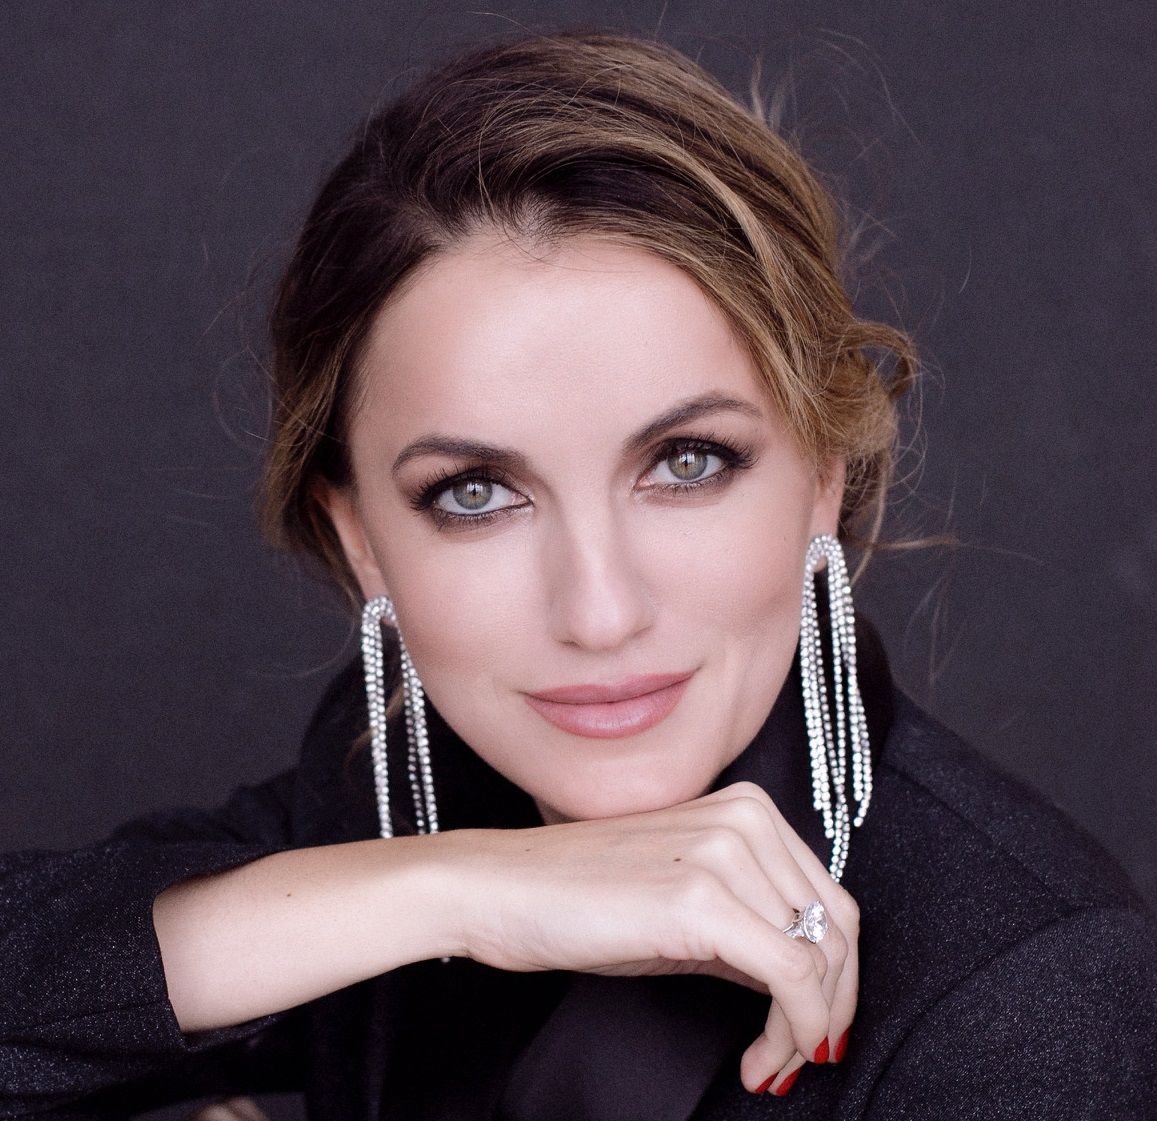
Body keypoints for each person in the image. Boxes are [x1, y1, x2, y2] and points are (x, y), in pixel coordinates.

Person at [2, 27, 1154, 1121]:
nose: (599, 613)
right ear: (360, 539)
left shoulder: (1028, 988)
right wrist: (450, 888)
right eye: (473, 492)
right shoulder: (401, 781)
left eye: (687, 461)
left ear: (822, 473)